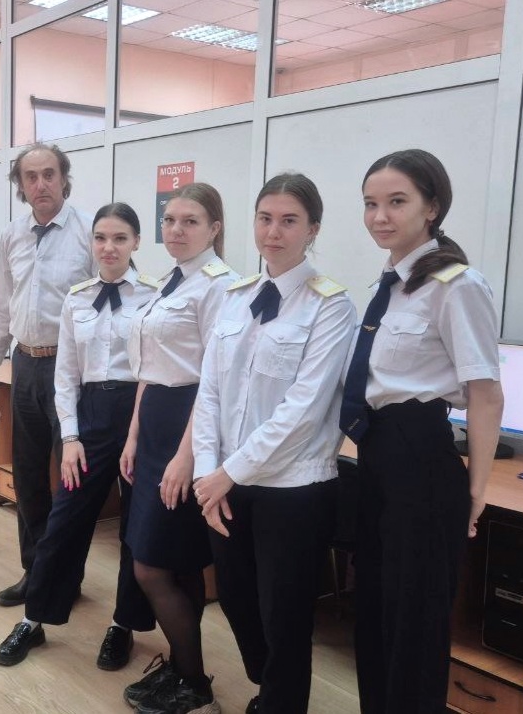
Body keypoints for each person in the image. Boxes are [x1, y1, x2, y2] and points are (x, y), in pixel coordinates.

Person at [342, 149, 503, 714]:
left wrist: (477, 490)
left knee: (414, 621)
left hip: (422, 461)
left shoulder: (457, 285)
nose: (380, 216)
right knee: (374, 610)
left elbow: (485, 394)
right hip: (377, 455)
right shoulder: (389, 285)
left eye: (396, 202)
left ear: (432, 207)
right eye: (370, 204)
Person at [192, 174, 357, 714]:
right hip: (225, 483)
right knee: (237, 600)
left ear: (313, 229)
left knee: (284, 614)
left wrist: (226, 473)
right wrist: (207, 472)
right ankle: (268, 689)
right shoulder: (235, 297)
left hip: (293, 489)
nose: (274, 232)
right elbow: (210, 392)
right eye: (265, 219)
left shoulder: (330, 306)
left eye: (289, 221)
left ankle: (281, 703)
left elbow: (304, 410)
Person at [0, 202, 156, 672]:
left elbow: (158, 370)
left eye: (120, 238)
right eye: (101, 238)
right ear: (91, 243)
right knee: (65, 520)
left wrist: (139, 431)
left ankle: (122, 625)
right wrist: (71, 437)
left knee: (134, 527)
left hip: (140, 414)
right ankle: (34, 619)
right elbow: (65, 374)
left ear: (136, 242)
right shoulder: (77, 298)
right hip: (90, 415)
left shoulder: (154, 296)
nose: (109, 247)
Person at [119, 183, 237, 714]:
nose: (176, 230)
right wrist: (134, 434)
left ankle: (194, 683)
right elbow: (151, 366)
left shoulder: (220, 286)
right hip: (156, 421)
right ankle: (183, 667)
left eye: (190, 221)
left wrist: (186, 456)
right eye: (170, 220)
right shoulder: (170, 279)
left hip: (191, 426)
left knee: (150, 565)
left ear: (214, 228)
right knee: (176, 562)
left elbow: (213, 379)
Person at [0, 143, 96, 612]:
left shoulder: (90, 232)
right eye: (31, 177)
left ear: (64, 178)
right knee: (27, 475)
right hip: (23, 364)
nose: (40, 184)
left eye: (49, 174)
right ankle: (35, 571)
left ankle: (65, 577)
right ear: (20, 185)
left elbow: (113, 299)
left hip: (71, 369)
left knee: (71, 480)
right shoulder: (12, 235)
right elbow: (2, 301)